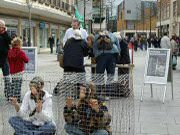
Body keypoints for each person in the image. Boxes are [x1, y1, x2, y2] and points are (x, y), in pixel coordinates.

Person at [8, 37, 29, 102]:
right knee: (18, 85)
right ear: (19, 44)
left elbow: (8, 60)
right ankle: (17, 98)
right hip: (19, 71)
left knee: (13, 84)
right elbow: (26, 60)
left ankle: (11, 97)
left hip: (12, 71)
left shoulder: (10, 51)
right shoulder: (21, 52)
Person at [0, 19, 11, 100]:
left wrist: (5, 32)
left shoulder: (6, 34)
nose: (0, 28)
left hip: (4, 59)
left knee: (7, 77)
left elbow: (10, 41)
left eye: (2, 26)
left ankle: (8, 93)